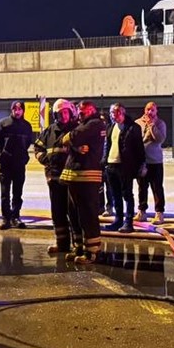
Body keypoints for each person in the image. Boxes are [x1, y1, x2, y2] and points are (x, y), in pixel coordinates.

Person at [60, 100, 107, 264]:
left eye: (83, 111)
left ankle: (93, 252)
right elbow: (63, 141)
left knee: (88, 214)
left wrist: (70, 140)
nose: (80, 114)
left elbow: (72, 136)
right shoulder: (84, 124)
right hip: (74, 176)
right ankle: (78, 246)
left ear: (92, 110)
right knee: (74, 214)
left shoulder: (94, 124)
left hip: (87, 176)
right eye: (79, 111)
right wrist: (74, 146)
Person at [33, 99, 81, 255]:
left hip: (72, 179)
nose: (64, 115)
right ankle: (62, 243)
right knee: (58, 212)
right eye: (60, 113)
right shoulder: (49, 131)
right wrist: (45, 160)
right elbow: (38, 147)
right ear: (55, 115)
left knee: (74, 212)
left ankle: (78, 245)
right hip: (54, 179)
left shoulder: (77, 129)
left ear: (71, 112)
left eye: (66, 112)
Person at [102, 103, 145, 233]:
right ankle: (118, 220)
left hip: (125, 166)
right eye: (111, 113)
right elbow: (107, 145)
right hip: (111, 165)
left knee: (127, 194)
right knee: (115, 195)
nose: (113, 116)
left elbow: (139, 148)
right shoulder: (110, 127)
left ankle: (128, 222)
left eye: (116, 113)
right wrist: (104, 161)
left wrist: (141, 165)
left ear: (122, 113)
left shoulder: (133, 128)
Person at [0, 100, 33, 229]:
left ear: (23, 111)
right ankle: (6, 219)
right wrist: (2, 155)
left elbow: (27, 143)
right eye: (15, 109)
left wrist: (22, 156)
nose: (17, 111)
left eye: (20, 109)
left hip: (19, 164)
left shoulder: (27, 126)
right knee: (5, 193)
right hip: (5, 164)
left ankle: (16, 216)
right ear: (11, 110)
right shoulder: (3, 124)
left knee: (18, 192)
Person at [134, 101, 167, 225]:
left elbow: (159, 139)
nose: (150, 112)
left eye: (152, 110)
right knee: (142, 188)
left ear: (156, 111)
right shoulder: (137, 123)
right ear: (144, 110)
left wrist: (151, 125)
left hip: (155, 161)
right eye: (148, 109)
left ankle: (159, 213)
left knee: (157, 187)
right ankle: (142, 211)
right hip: (142, 161)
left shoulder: (160, 123)